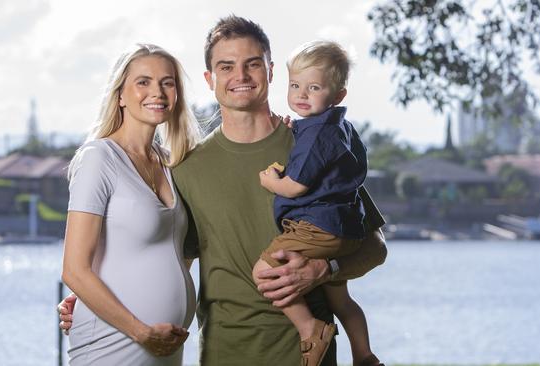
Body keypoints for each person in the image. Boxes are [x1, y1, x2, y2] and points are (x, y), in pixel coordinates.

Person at [60, 16, 387, 365]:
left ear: (271, 71)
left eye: (252, 65)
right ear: (209, 79)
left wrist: (326, 269)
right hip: (223, 351)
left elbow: (375, 247)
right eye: (226, 66)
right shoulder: (185, 168)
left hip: (307, 353)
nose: (241, 77)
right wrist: (90, 301)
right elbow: (170, 256)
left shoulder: (314, 146)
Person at [61, 43, 200, 366]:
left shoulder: (169, 163)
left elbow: (171, 253)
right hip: (115, 343)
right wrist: (141, 332)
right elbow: (74, 269)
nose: (158, 92)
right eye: (144, 82)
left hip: (165, 345)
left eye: (168, 83)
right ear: (120, 94)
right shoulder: (99, 159)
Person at [254, 40, 382, 366]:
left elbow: (295, 187)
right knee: (343, 301)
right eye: (295, 85)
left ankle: (310, 328)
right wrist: (293, 130)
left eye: (313, 87)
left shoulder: (315, 135)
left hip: (316, 227)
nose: (301, 94)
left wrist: (272, 182)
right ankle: (365, 356)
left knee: (264, 272)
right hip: (344, 228)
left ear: (338, 95)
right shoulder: (340, 128)